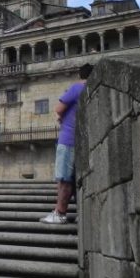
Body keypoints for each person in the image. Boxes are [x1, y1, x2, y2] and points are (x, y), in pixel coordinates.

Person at [40, 63, 93, 225]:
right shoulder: (94, 90)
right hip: (83, 140)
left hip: (68, 138)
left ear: (80, 75)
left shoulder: (77, 88)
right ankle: (81, 213)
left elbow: (58, 108)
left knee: (64, 179)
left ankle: (60, 213)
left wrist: (61, 117)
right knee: (78, 179)